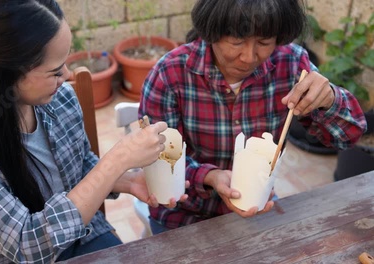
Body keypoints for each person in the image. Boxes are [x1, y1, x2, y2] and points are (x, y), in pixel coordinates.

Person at [0, 0, 188, 263]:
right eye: (55, 71)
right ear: (3, 73)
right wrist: (117, 159)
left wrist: (128, 181)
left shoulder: (59, 100)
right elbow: (25, 245)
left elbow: (80, 165)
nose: (67, 76)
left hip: (85, 236)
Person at [139, 0, 367, 235]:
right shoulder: (170, 73)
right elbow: (155, 159)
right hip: (184, 212)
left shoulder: (291, 65)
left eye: (264, 42)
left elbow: (347, 138)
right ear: (212, 31)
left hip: (257, 204)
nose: (249, 57)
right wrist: (210, 176)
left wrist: (330, 99)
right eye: (237, 41)